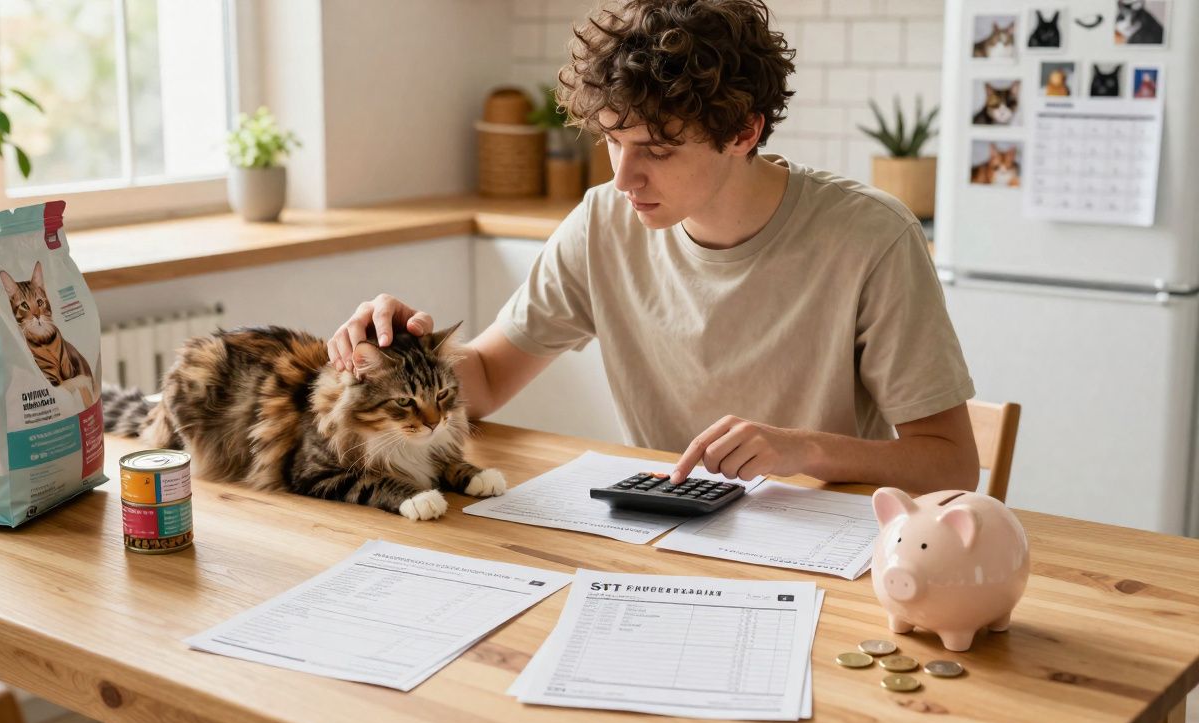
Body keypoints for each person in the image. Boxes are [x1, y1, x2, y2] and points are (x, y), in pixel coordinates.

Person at [328, 0, 979, 492]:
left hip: (821, 554)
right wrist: (400, 356)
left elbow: (951, 460)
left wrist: (804, 450)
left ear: (744, 131)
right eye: (613, 139)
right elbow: (491, 378)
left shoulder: (870, 238)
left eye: (658, 151)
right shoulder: (602, 223)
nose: (623, 177)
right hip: (665, 534)